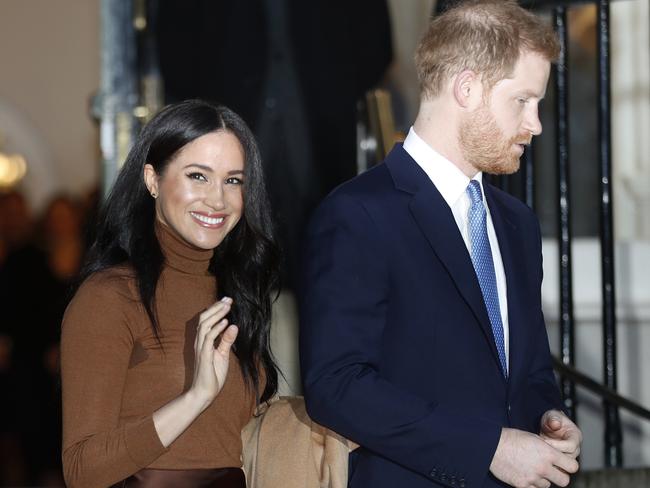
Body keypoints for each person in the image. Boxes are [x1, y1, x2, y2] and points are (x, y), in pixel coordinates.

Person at [299, 2, 583, 488]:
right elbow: (336, 386)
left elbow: (531, 371)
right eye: (523, 100)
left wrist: (548, 419)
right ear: (467, 88)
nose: (535, 124)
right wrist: (488, 448)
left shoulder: (517, 223)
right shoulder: (357, 214)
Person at [61, 100, 280, 487]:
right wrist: (196, 397)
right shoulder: (110, 297)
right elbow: (82, 469)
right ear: (152, 180)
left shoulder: (237, 294)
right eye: (198, 176)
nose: (217, 199)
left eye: (233, 180)